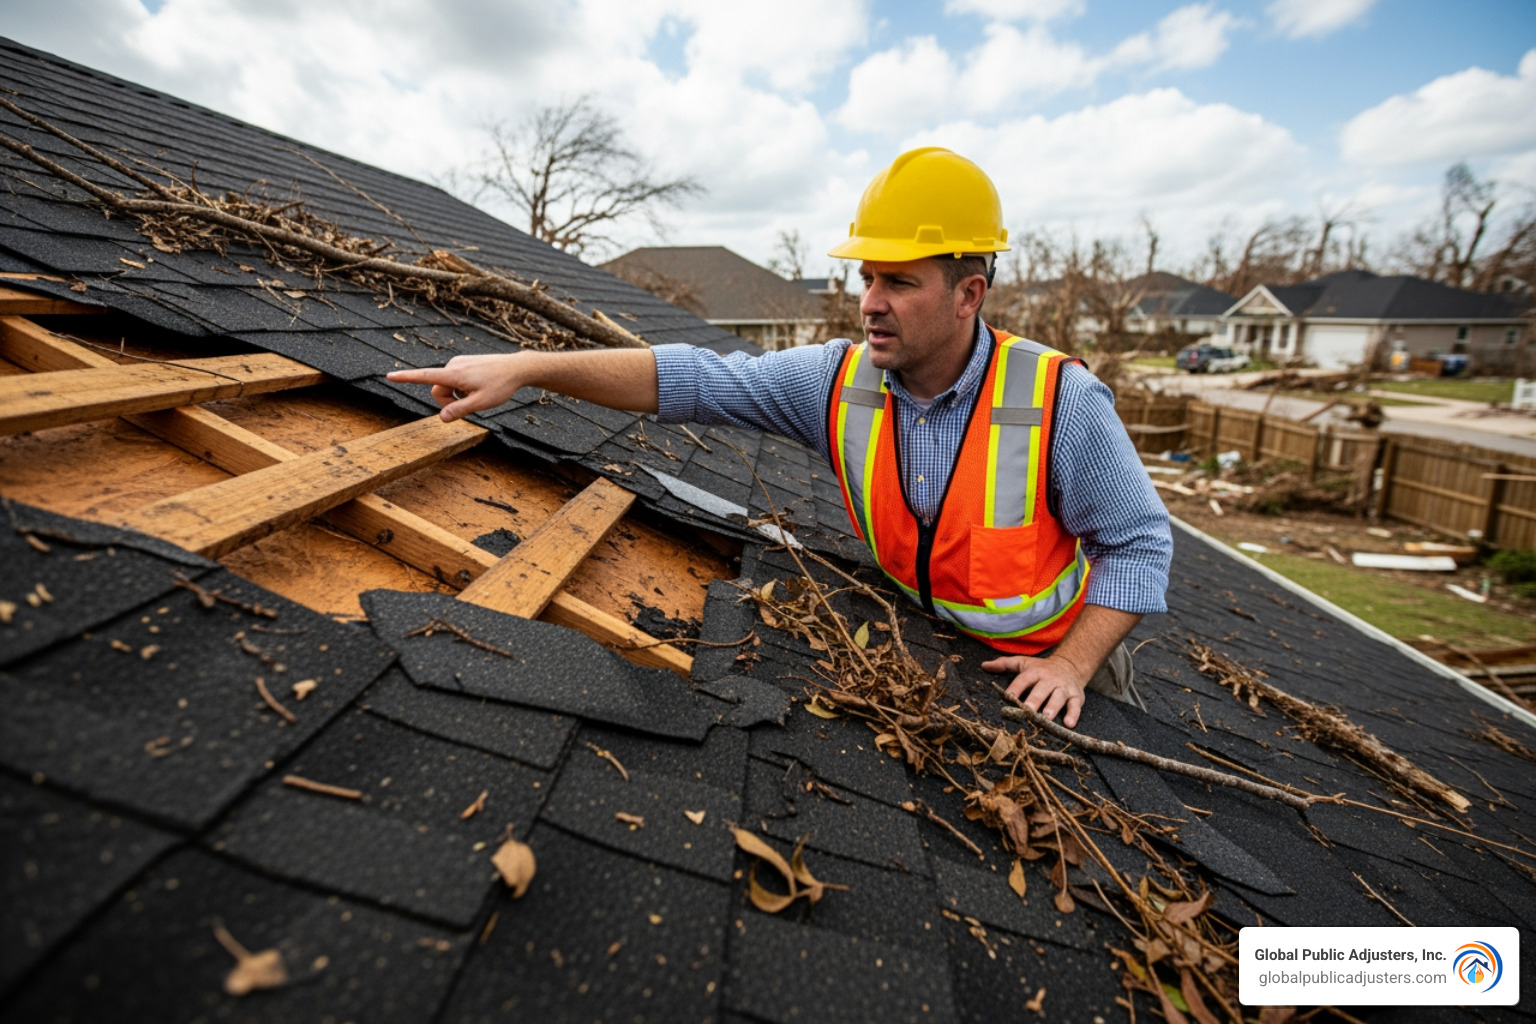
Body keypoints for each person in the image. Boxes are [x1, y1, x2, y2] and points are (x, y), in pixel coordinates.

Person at [388, 147, 1171, 729]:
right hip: (940, 644)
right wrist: (529, 367)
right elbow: (691, 379)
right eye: (866, 277)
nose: (869, 302)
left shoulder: (1056, 400)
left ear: (969, 293)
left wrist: (1071, 665)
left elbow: (1139, 543)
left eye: (898, 281)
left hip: (1060, 668)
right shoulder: (838, 381)